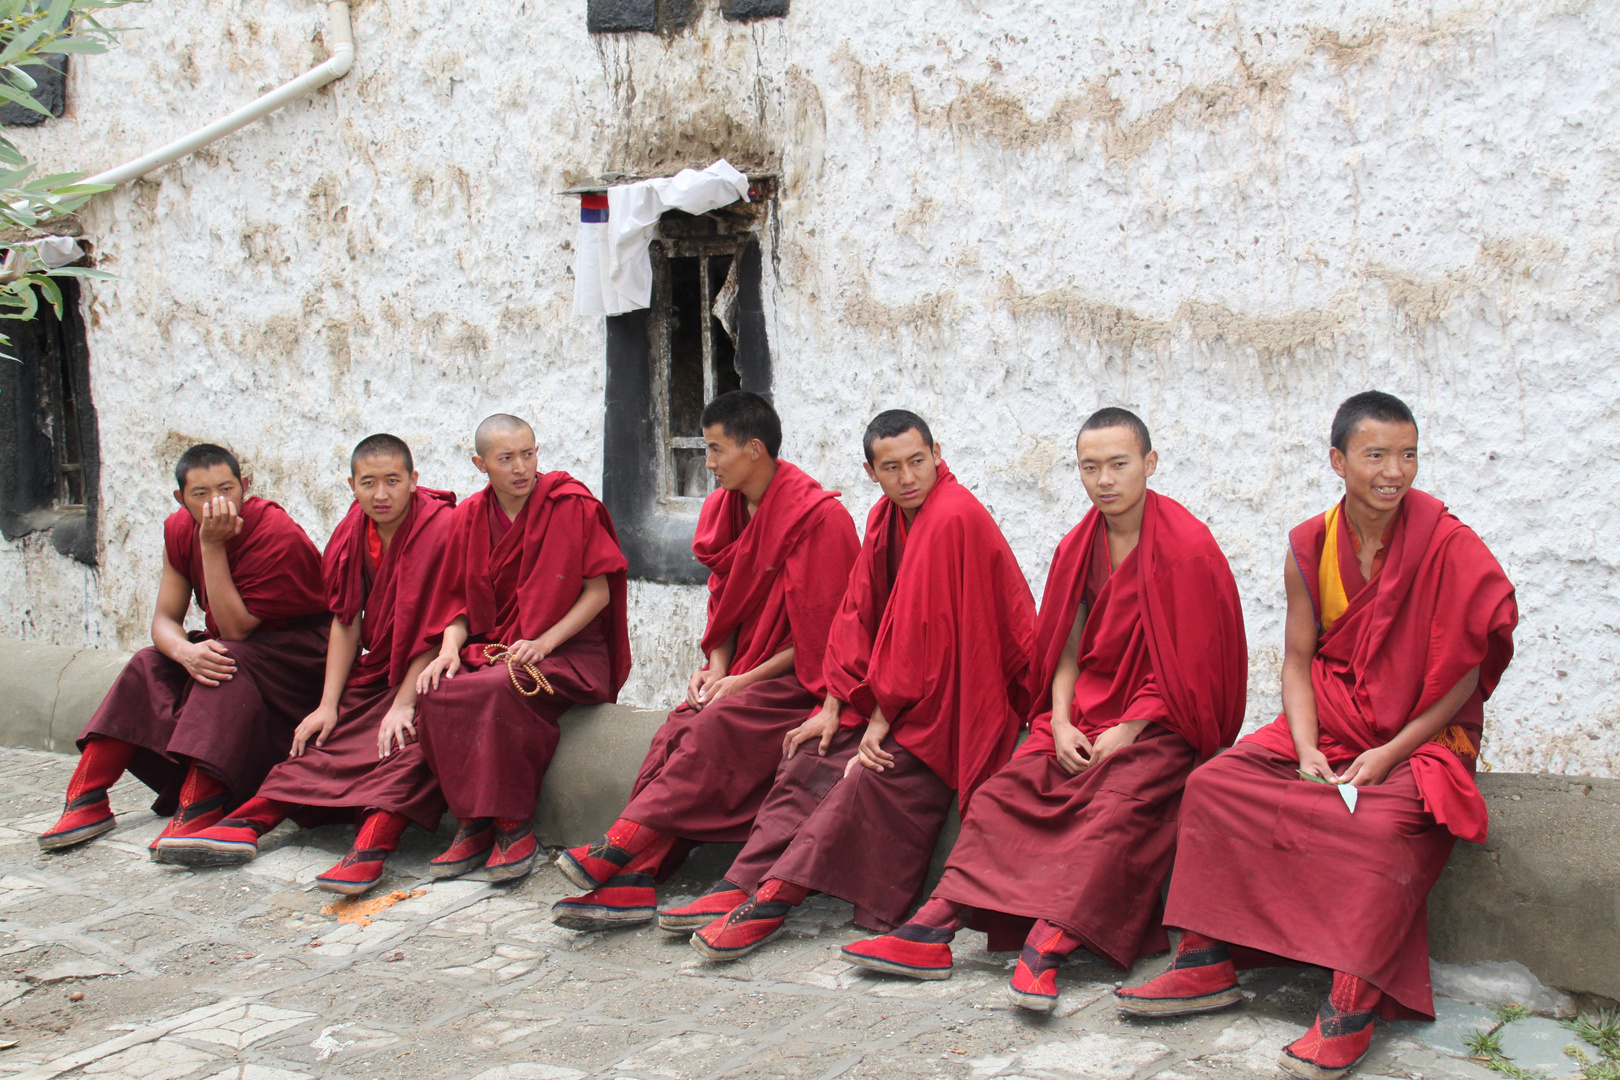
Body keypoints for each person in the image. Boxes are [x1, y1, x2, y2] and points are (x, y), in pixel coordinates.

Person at [1114, 392, 1517, 1080]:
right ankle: (1205, 957)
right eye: (1377, 455)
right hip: (1330, 720)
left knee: (1384, 826)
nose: (1396, 471)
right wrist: (1303, 748)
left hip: (1420, 735)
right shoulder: (1312, 543)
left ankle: (1351, 1001)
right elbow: (1298, 659)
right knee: (1214, 784)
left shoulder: (1448, 543)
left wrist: (1390, 753)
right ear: (1339, 461)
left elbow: (1466, 672)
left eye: (1409, 454)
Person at [840, 408, 1248, 1011]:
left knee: (1112, 809)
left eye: (1119, 465)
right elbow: (1066, 648)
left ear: (1149, 465)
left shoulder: (1188, 551)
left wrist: (1126, 731)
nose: (1105, 480)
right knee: (1007, 792)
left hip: (1159, 726)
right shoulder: (1079, 545)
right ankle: (934, 927)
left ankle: (1048, 944)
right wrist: (1057, 720)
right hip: (1081, 715)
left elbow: (1195, 671)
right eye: (1091, 467)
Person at [667, 410, 1036, 961]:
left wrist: (882, 721)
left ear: (938, 455)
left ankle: (773, 901)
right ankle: (742, 880)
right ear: (871, 471)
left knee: (870, 774)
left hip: (960, 695)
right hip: (900, 691)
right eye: (892, 467)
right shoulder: (887, 516)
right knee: (810, 754)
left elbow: (923, 635)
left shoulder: (952, 516)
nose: (908, 476)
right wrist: (833, 703)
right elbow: (857, 611)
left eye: (917, 461)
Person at [550, 392, 859, 930]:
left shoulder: (819, 519)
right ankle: (633, 879)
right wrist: (717, 667)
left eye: (716, 450)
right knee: (677, 729)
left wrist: (742, 680)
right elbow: (724, 606)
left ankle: (620, 849)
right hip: (740, 672)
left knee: (712, 727)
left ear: (755, 449)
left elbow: (826, 636)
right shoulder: (723, 509)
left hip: (799, 680)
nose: (709, 463)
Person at [155, 435, 456, 894]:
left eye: (393, 481)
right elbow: (345, 620)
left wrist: (404, 702)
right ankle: (248, 822)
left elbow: (441, 622)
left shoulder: (442, 527)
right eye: (369, 483)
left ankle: (370, 849)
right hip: (379, 670)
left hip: (437, 666)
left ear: (414, 481)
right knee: (322, 739)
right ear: (352, 486)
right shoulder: (354, 529)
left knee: (410, 740)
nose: (381, 494)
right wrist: (328, 703)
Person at [39, 444, 328, 853]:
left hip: (295, 660)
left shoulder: (275, 533)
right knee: (149, 662)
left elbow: (237, 630)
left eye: (226, 490)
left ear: (245, 486)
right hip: (236, 651)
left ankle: (200, 806)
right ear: (180, 499)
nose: (216, 504)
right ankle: (88, 798)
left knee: (223, 660)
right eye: (200, 494)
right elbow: (163, 620)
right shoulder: (178, 528)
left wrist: (210, 546)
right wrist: (183, 652)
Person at [412, 414, 631, 883]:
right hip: (497, 645)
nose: (520, 468)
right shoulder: (471, 515)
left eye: (528, 454)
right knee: (435, 691)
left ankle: (514, 826)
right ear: (480, 463)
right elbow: (457, 600)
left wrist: (544, 642)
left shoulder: (571, 506)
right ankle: (473, 823)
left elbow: (599, 593)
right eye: (505, 458)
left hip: (567, 649)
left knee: (497, 689)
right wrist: (448, 649)